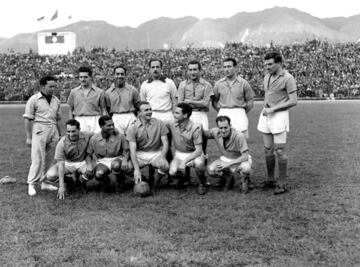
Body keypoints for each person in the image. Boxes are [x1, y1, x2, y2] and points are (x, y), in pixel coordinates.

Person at [257, 51, 297, 195]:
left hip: (279, 115)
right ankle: (270, 179)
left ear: (279, 63)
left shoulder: (288, 78)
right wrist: (267, 108)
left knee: (279, 150)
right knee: (267, 149)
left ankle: (282, 183)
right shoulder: (267, 76)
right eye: (265, 64)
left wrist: (273, 109)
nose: (267, 67)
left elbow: (293, 101)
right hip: (266, 114)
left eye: (270, 64)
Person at [23, 75, 62, 196]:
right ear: (42, 86)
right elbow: (28, 119)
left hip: (53, 130)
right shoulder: (34, 99)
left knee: (50, 159)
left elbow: (57, 118)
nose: (53, 89)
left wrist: (59, 134)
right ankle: (32, 183)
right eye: (50, 86)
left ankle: (44, 182)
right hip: (39, 130)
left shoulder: (56, 100)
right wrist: (29, 137)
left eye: (54, 86)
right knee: (38, 159)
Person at [126, 101, 169, 191]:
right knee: (127, 168)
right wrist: (137, 169)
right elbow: (132, 150)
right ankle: (143, 179)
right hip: (140, 154)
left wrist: (163, 157)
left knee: (165, 166)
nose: (149, 112)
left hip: (155, 153)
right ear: (139, 113)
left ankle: (154, 185)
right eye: (146, 110)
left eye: (150, 109)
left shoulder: (159, 123)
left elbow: (165, 142)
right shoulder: (132, 127)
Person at [46, 119, 94, 199]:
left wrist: (115, 132)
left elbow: (98, 135)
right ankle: (69, 181)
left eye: (73, 131)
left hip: (82, 162)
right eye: (68, 131)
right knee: (50, 175)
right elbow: (61, 164)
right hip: (67, 164)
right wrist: (61, 186)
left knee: (90, 173)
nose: (71, 134)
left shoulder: (86, 135)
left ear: (79, 130)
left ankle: (81, 182)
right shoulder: (62, 142)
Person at [167, 103, 208, 195]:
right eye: (174, 112)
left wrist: (184, 161)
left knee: (199, 164)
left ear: (185, 115)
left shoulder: (195, 127)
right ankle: (182, 178)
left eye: (177, 113)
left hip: (195, 153)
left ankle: (201, 184)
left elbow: (198, 150)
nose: (174, 115)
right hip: (179, 154)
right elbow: (158, 124)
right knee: (172, 172)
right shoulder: (172, 123)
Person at [206, 116, 252, 193]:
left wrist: (228, 164)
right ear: (217, 127)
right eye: (221, 128)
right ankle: (228, 177)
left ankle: (245, 181)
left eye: (225, 127)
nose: (223, 130)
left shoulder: (239, 136)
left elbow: (245, 156)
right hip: (225, 159)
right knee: (211, 170)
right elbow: (203, 133)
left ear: (230, 126)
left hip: (240, 159)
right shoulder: (215, 132)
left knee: (246, 168)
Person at [87, 115, 132, 192]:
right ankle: (106, 182)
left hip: (117, 158)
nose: (112, 127)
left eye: (113, 124)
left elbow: (126, 150)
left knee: (116, 165)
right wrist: (89, 165)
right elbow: (88, 154)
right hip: (102, 161)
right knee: (98, 174)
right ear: (101, 126)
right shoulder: (94, 138)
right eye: (109, 125)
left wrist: (124, 160)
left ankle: (120, 182)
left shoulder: (120, 136)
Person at [212, 57, 254, 137]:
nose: (226, 69)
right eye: (224, 67)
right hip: (223, 112)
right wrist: (221, 111)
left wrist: (241, 111)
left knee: (241, 141)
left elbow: (250, 102)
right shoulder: (218, 84)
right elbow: (214, 101)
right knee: (224, 143)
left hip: (239, 114)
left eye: (229, 66)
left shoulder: (243, 83)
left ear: (235, 68)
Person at [67, 66, 107, 133]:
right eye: (81, 77)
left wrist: (104, 123)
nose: (83, 79)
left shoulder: (99, 92)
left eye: (85, 77)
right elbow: (69, 109)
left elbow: (103, 109)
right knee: (81, 141)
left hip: (95, 119)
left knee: (96, 141)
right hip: (79, 119)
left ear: (91, 77)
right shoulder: (73, 92)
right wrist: (71, 123)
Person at [177, 60, 213, 131]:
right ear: (187, 71)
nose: (192, 72)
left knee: (202, 138)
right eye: (190, 70)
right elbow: (180, 103)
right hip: (186, 115)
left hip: (201, 114)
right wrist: (199, 102)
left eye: (195, 69)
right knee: (186, 139)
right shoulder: (182, 84)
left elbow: (206, 103)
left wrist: (189, 101)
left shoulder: (207, 85)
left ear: (200, 71)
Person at [105, 65, 140, 134]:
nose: (120, 76)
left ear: (125, 76)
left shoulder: (132, 90)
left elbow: (138, 105)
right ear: (113, 75)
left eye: (122, 74)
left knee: (132, 139)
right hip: (116, 116)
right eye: (117, 74)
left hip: (130, 116)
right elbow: (107, 108)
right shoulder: (108, 92)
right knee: (117, 139)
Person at [140, 58, 177, 122]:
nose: (155, 69)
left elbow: (175, 101)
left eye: (157, 67)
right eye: (153, 67)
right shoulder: (145, 84)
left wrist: (174, 115)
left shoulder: (169, 82)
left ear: (161, 68)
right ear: (150, 69)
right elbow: (143, 103)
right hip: (152, 116)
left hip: (167, 115)